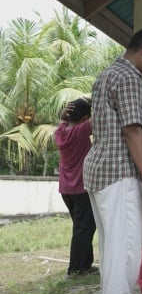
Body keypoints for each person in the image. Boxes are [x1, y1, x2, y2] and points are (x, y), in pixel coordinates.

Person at [83, 28, 142, 294]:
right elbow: (133, 129)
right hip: (119, 172)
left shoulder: (107, 74)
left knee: (111, 245)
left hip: (99, 169)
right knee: (126, 244)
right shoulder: (130, 77)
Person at [55, 98, 97, 276]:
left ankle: (85, 264)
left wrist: (63, 117)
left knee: (83, 226)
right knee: (83, 228)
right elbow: (97, 120)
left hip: (66, 190)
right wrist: (98, 98)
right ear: (85, 117)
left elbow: (63, 122)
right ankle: (76, 268)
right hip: (80, 189)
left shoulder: (60, 132)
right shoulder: (80, 131)